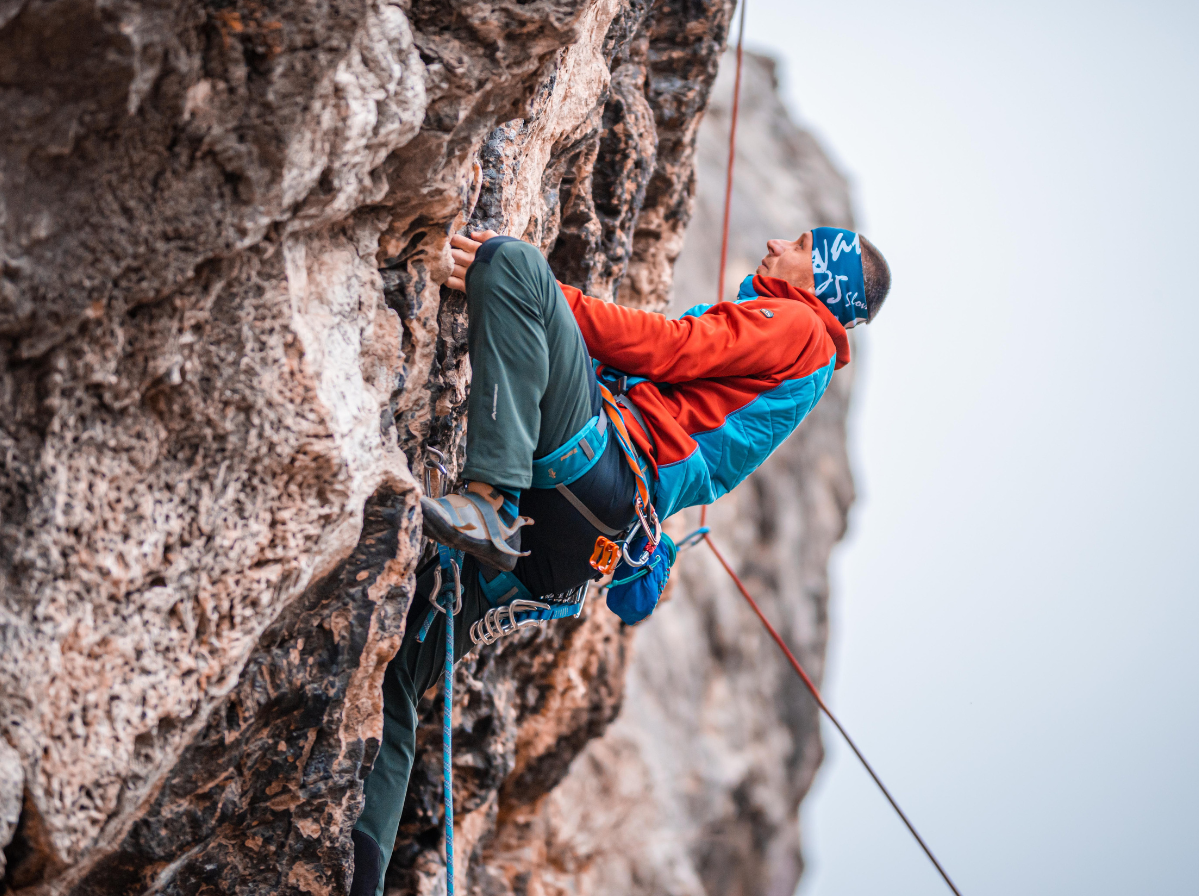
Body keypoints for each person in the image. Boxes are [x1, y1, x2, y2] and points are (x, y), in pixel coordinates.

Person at [348, 226, 891, 896]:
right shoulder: (800, 374)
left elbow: (672, 347)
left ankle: (491, 500)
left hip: (597, 470)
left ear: (826, 281)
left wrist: (544, 296)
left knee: (513, 263)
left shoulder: (800, 325)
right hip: (579, 547)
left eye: (803, 245)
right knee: (399, 671)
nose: (780, 243)